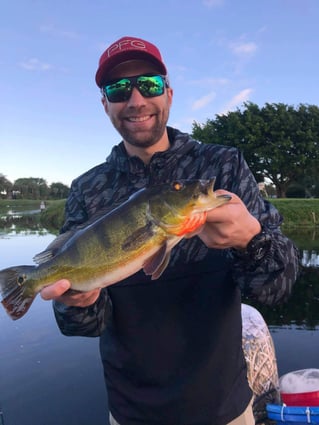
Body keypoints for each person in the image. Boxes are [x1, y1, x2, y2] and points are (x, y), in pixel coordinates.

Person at [41, 36, 299, 425]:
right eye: (117, 89)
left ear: (169, 93)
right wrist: (76, 300)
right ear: (105, 104)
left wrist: (252, 241)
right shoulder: (87, 190)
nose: (135, 100)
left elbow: (276, 289)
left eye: (149, 84)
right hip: (131, 411)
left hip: (223, 408)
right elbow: (82, 326)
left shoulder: (221, 166)